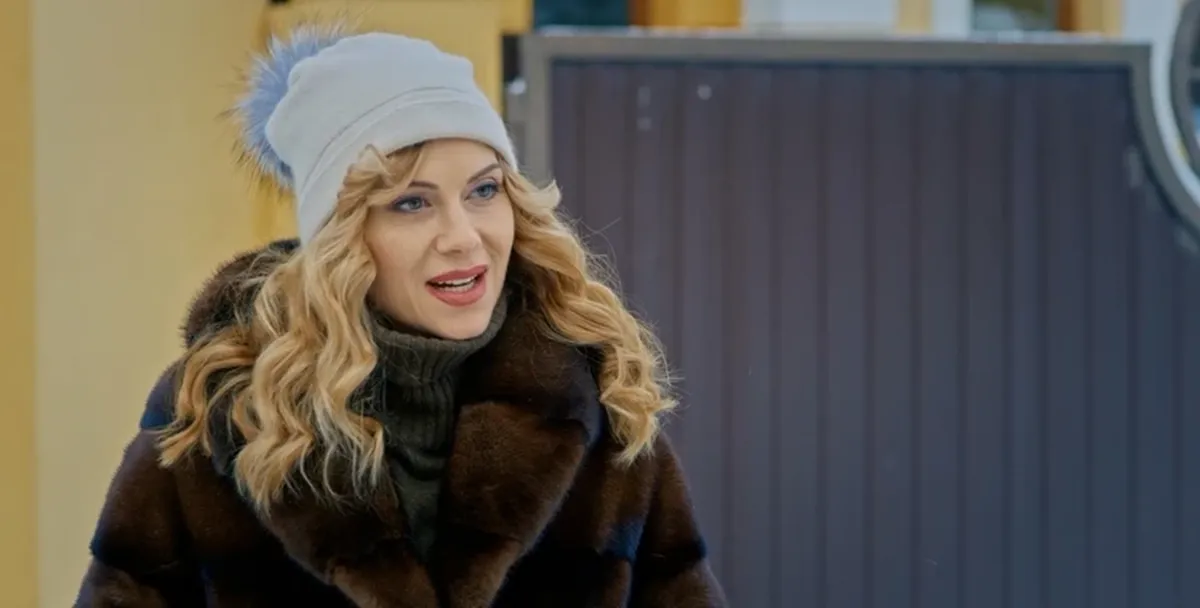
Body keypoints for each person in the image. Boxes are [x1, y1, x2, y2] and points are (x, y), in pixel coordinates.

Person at [74, 25, 725, 608]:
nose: (464, 237)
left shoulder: (595, 400)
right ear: (340, 239)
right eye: (412, 203)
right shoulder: (219, 409)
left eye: (484, 190)